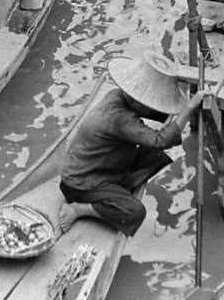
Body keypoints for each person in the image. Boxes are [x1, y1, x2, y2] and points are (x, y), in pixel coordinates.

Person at [57, 52, 204, 237]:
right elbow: (162, 139)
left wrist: (177, 91)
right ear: (137, 100)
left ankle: (116, 189)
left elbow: (156, 115)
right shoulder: (120, 118)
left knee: (156, 155)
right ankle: (80, 208)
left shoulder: (116, 95)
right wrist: (189, 108)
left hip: (99, 164)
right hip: (81, 182)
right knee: (134, 212)